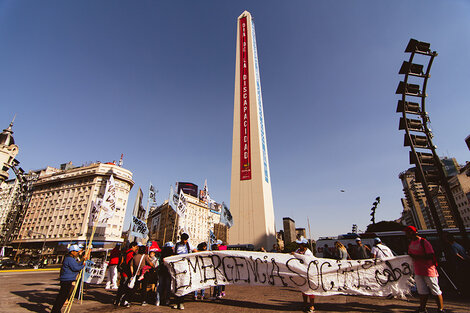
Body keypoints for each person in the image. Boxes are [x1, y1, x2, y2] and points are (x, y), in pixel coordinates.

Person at [404, 225, 445, 313]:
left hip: (428, 270)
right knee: (422, 290)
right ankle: (422, 308)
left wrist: (416, 256)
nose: (407, 234)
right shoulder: (411, 243)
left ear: (414, 232)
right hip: (418, 270)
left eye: (408, 232)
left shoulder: (423, 242)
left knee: (435, 289)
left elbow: (430, 255)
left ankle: (440, 309)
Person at [51, 244, 89, 313]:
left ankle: (56, 310)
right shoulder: (69, 259)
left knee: (62, 297)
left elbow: (76, 265)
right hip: (66, 280)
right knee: (62, 297)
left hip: (68, 280)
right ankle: (55, 310)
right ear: (72, 252)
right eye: (76, 251)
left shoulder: (71, 259)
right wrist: (82, 266)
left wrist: (82, 261)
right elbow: (75, 268)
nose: (77, 253)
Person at [171, 233, 196, 310]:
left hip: (185, 267)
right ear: (181, 239)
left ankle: (181, 302)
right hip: (177, 268)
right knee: (177, 285)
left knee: (184, 284)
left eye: (186, 240)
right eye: (184, 239)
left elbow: (195, 250)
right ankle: (176, 302)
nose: (185, 241)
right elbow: (174, 254)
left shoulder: (189, 245)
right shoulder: (177, 245)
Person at [292, 237, 315, 313]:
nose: (299, 245)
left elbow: (308, 261)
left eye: (300, 244)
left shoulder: (308, 253)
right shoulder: (297, 251)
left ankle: (312, 305)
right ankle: (305, 304)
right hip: (301, 272)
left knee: (310, 289)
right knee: (303, 289)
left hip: (308, 272)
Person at [115, 242, 138, 307]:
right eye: (136, 247)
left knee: (121, 286)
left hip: (123, 272)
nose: (136, 249)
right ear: (133, 246)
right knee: (125, 287)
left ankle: (117, 300)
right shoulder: (131, 253)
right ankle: (122, 301)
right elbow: (130, 264)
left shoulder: (125, 252)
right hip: (127, 272)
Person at [157, 241, 174, 306]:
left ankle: (158, 300)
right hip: (168, 272)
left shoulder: (161, 255)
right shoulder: (171, 256)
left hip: (161, 272)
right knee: (168, 287)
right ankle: (167, 300)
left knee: (160, 286)